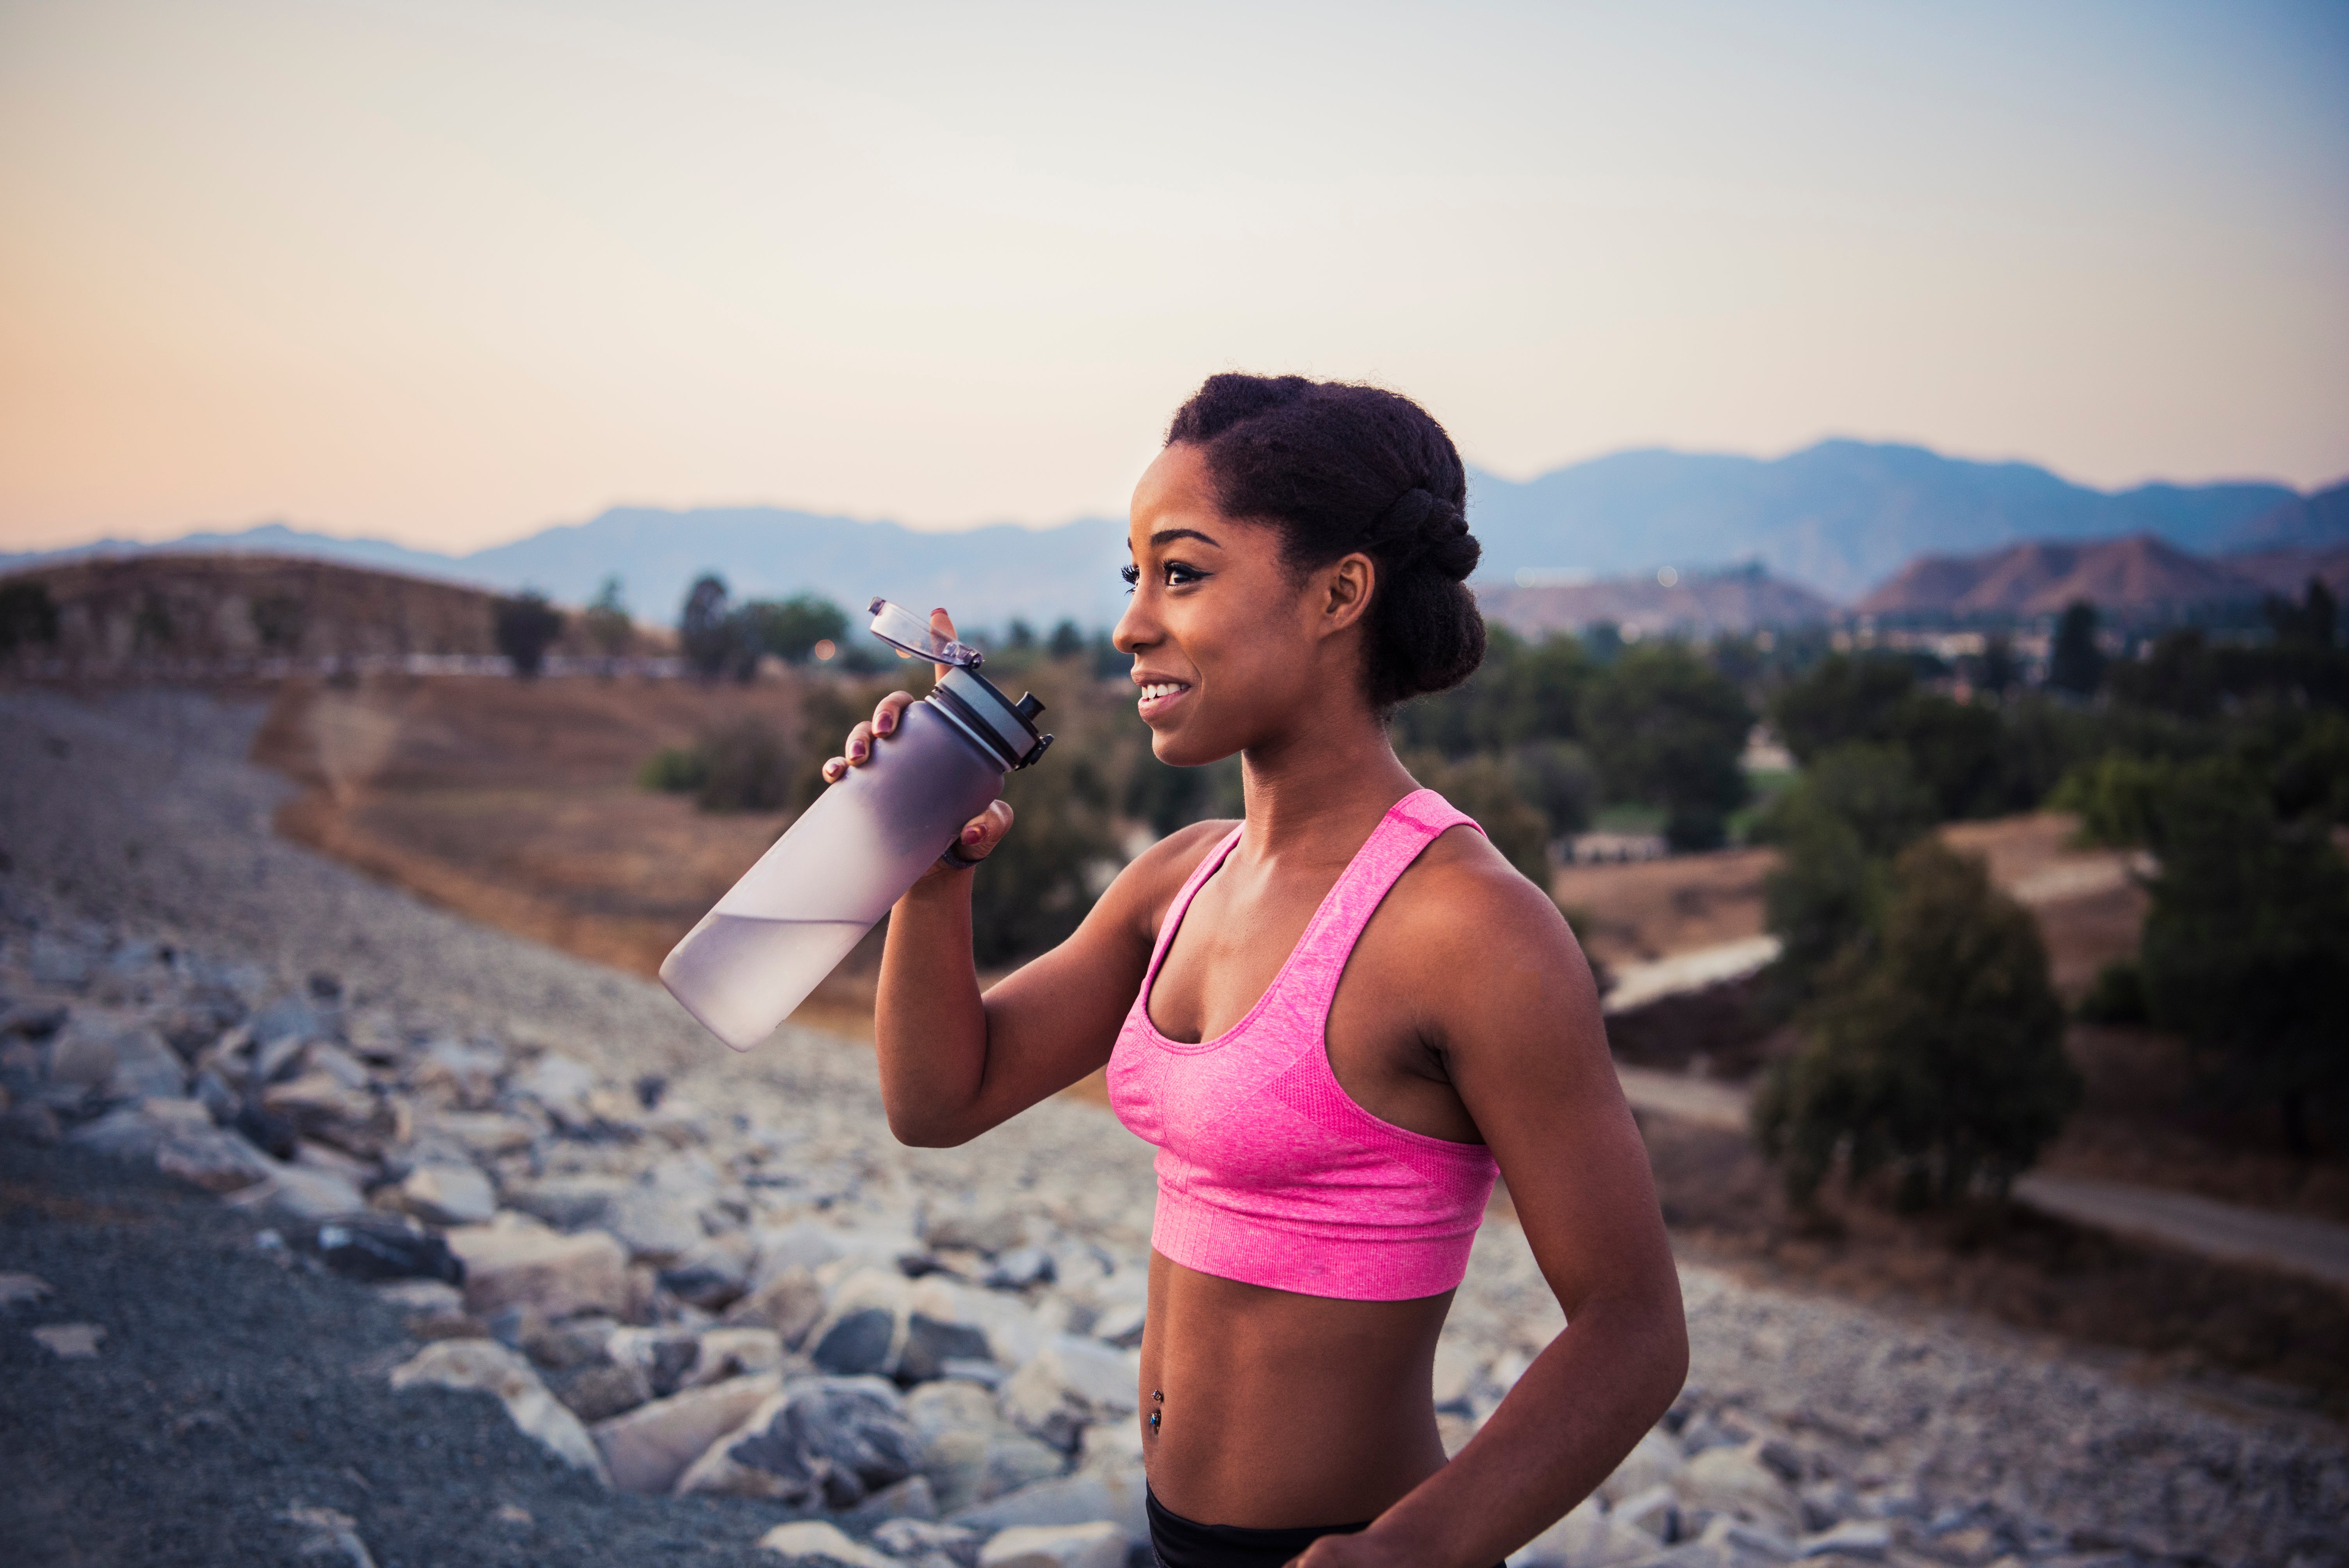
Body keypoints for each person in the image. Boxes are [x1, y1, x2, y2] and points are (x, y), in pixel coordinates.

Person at [823, 374, 1687, 1567]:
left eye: (1181, 574)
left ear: (1340, 592)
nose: (1132, 627)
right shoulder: (1178, 882)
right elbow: (939, 1100)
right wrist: (927, 872)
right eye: (1132, 577)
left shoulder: (1470, 928)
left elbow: (1634, 1326)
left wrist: (1407, 1555)